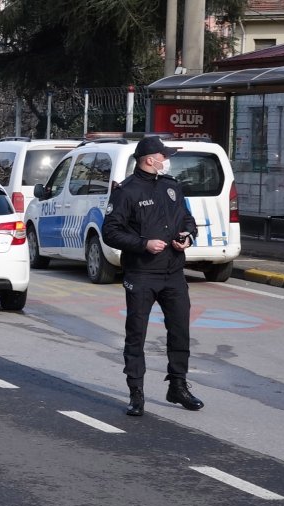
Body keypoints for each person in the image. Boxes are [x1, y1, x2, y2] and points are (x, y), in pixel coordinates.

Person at [102, 135, 203, 417]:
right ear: (150, 159)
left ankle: (178, 386)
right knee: (136, 335)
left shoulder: (172, 186)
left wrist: (187, 236)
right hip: (142, 273)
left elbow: (187, 219)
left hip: (173, 272)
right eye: (163, 156)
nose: (167, 161)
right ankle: (136, 393)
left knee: (180, 331)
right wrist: (143, 244)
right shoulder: (126, 191)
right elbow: (110, 231)